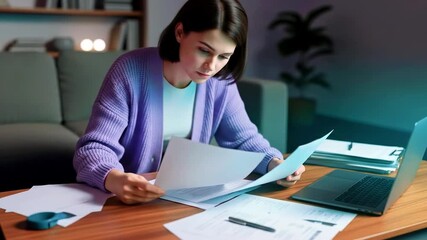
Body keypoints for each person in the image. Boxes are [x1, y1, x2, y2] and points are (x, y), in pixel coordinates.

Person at [73, 0, 305, 205]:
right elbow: (94, 148)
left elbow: (243, 139)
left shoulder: (220, 82)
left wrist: (275, 164)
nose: (211, 67)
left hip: (184, 199)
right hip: (128, 200)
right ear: (180, 32)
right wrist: (113, 179)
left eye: (224, 56)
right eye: (204, 51)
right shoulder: (129, 71)